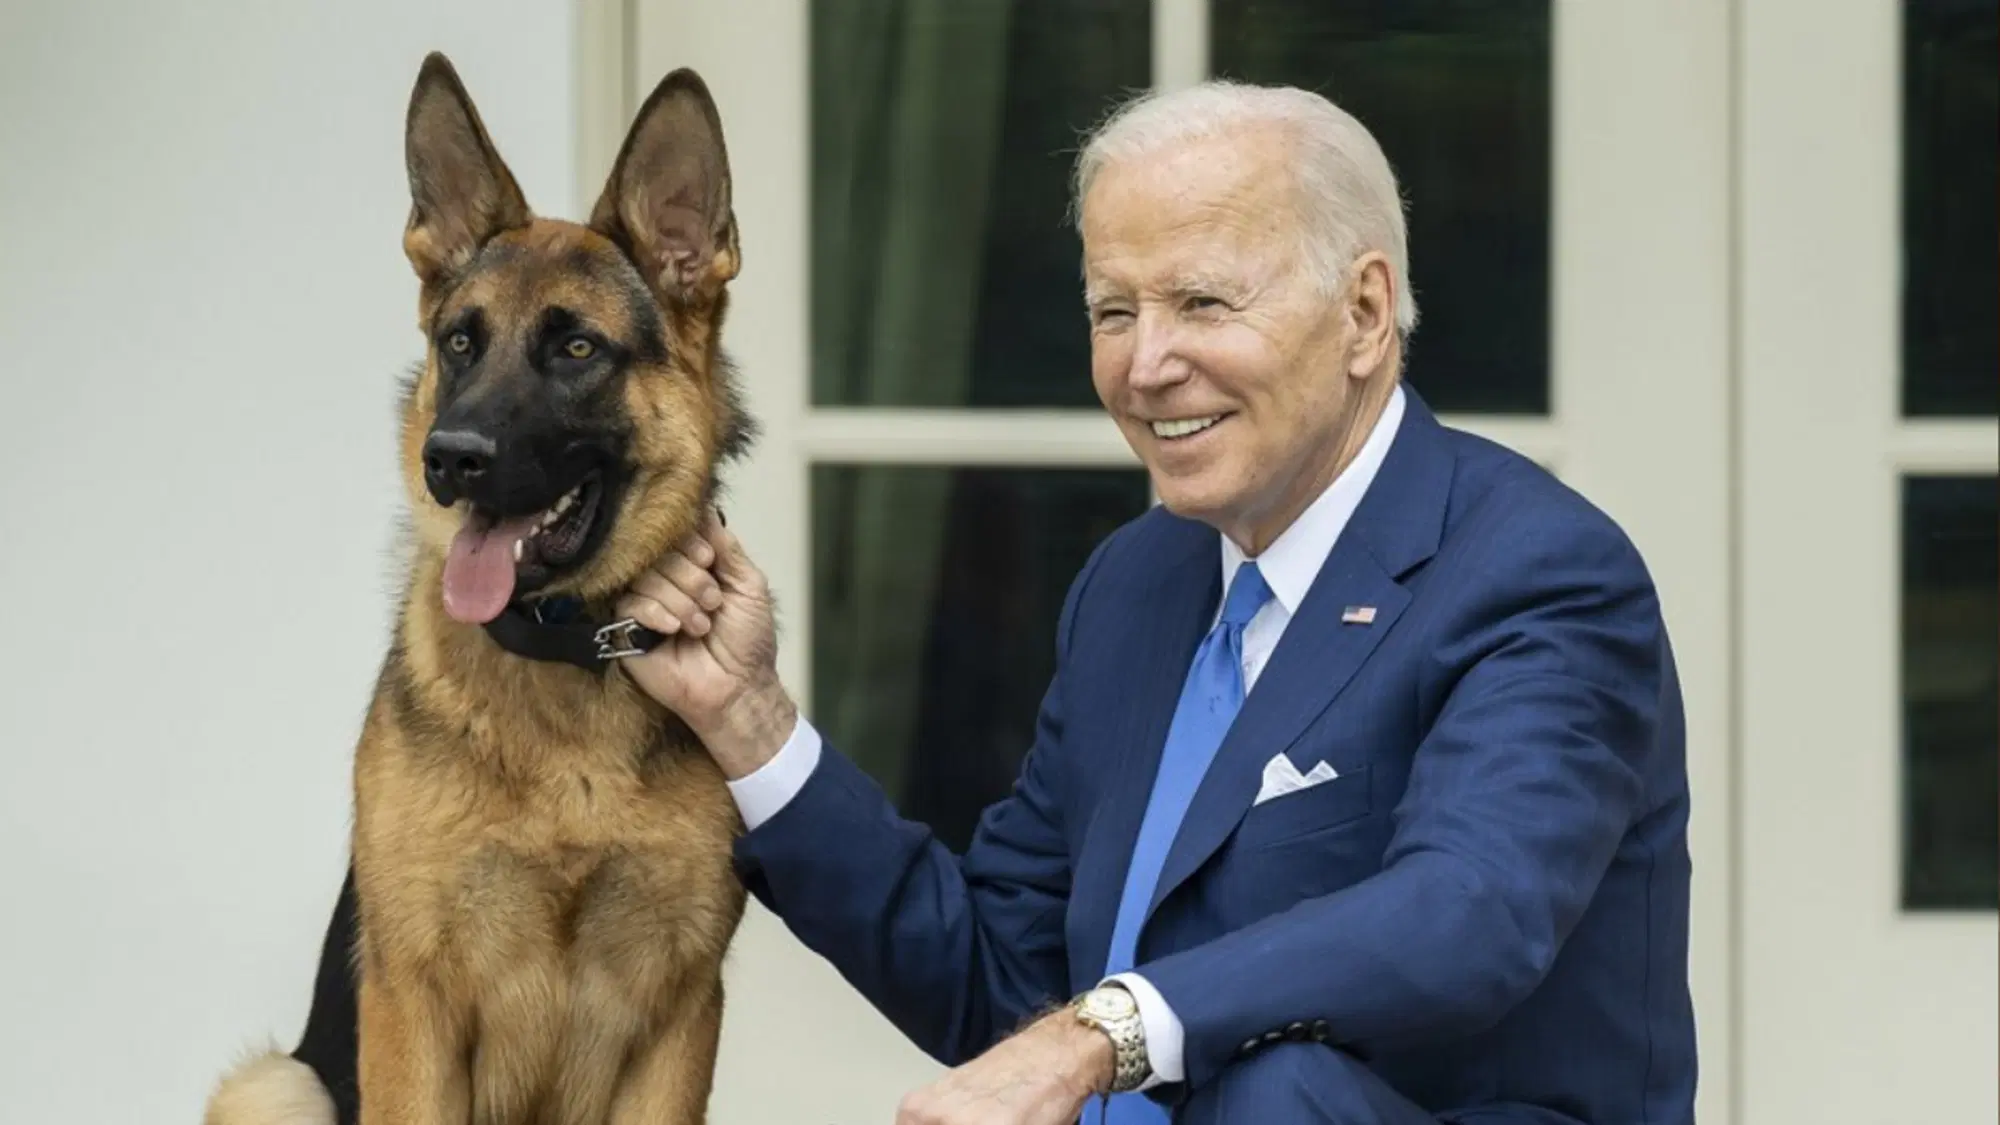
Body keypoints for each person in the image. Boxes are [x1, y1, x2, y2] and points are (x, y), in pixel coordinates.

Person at [289, 80, 1696, 1124]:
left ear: (1367, 313)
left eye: (1203, 303)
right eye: (1112, 310)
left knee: (1285, 1097)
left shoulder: (1535, 575)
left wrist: (1109, 1031)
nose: (1148, 365)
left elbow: (1469, 916)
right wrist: (752, 726)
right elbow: (998, 975)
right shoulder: (1139, 585)